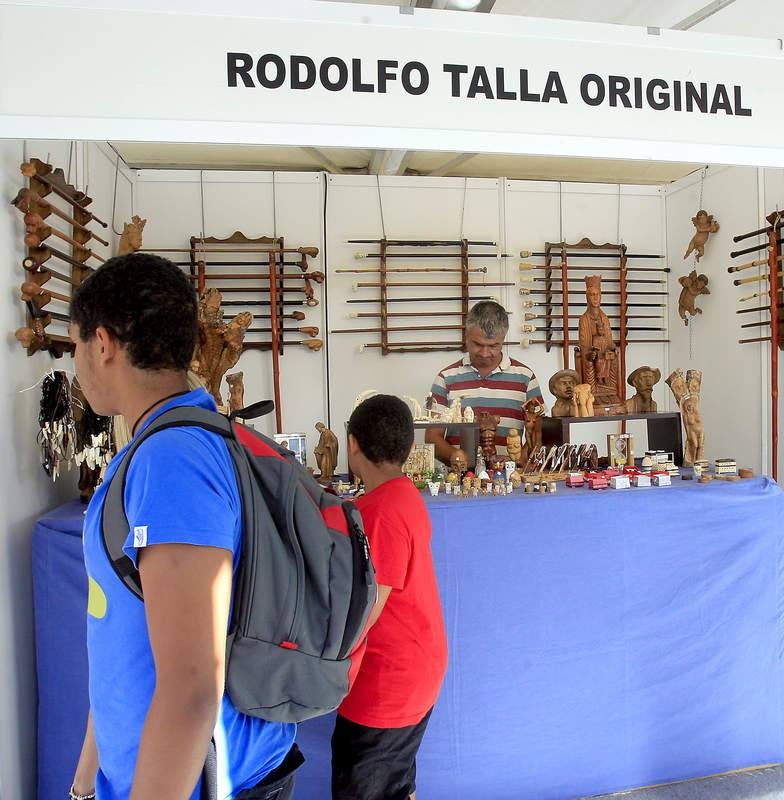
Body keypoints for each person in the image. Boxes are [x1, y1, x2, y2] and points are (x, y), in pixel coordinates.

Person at [68, 253, 300, 800]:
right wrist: (84, 784)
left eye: (73, 345)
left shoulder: (172, 460)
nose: (74, 362)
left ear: (103, 344)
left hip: (210, 783)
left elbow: (193, 686)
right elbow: (120, 629)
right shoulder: (160, 446)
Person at [334, 394, 448, 800]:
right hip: (413, 668)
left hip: (387, 682)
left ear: (352, 444)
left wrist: (326, 660)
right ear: (410, 447)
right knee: (396, 784)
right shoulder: (403, 495)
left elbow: (368, 606)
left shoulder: (379, 512)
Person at [426, 300, 543, 469]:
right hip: (459, 478)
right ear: (466, 336)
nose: (485, 353)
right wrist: (456, 456)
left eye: (493, 346)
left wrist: (523, 456)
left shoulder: (526, 378)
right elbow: (432, 437)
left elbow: (538, 431)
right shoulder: (445, 378)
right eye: (478, 344)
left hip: (511, 475)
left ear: (503, 339)